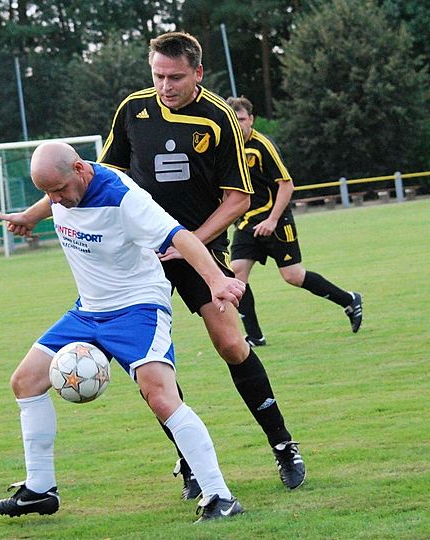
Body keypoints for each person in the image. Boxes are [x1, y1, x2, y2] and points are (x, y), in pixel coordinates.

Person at [0, 142, 245, 522]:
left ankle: (220, 496)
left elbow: (180, 236)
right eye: (48, 193)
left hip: (137, 308)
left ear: (79, 169)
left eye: (59, 190)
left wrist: (215, 280)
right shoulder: (64, 188)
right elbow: (54, 197)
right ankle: (40, 489)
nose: (55, 200)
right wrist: (31, 215)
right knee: (25, 382)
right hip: (88, 310)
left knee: (159, 396)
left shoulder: (124, 197)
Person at [100, 31, 306, 496]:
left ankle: (283, 446)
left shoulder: (219, 118)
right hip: (141, 258)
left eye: (175, 77)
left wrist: (188, 241)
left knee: (232, 344)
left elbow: (238, 198)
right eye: (157, 75)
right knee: (147, 365)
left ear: (198, 72)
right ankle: (190, 463)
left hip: (198, 252)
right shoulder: (133, 109)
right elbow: (105, 174)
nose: (165, 85)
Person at [225, 96, 363, 346]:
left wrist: (273, 220)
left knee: (293, 276)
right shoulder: (227, 148)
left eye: (242, 119)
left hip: (275, 221)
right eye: (233, 120)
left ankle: (349, 299)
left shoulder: (262, 145)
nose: (238, 124)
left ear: (251, 120)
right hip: (247, 223)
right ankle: (255, 336)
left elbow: (286, 186)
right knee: (237, 274)